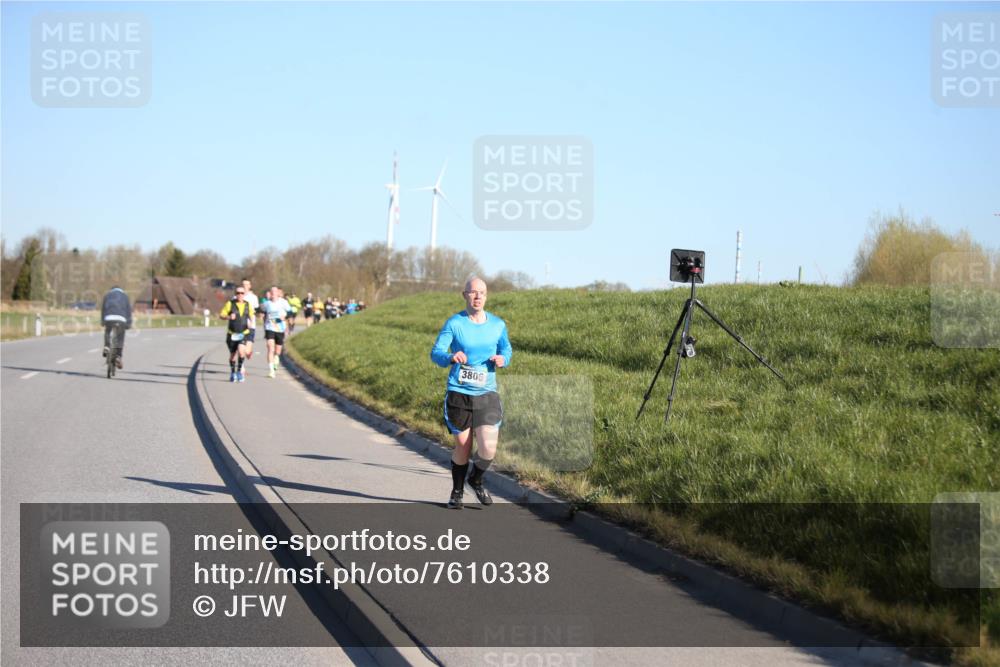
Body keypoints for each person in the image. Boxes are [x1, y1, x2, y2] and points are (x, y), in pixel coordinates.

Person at [430, 277, 512, 509]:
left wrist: (503, 358)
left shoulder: (497, 324)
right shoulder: (455, 323)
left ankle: (475, 480)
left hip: (486, 393)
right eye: (473, 292)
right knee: (463, 448)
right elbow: (436, 352)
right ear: (464, 295)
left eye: (482, 293)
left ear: (486, 296)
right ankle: (457, 492)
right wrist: (450, 357)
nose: (478, 297)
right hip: (459, 393)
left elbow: (506, 347)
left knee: (488, 447)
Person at [219, 286, 254, 382]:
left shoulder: (248, 305)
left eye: (242, 293)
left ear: (244, 294)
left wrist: (251, 322)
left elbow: (252, 316)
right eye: (238, 293)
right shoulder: (230, 304)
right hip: (232, 334)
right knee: (233, 356)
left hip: (243, 333)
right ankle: (232, 373)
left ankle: (239, 372)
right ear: (235, 294)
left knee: (242, 352)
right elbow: (221, 315)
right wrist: (229, 317)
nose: (240, 295)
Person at [261, 286, 291, 378]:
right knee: (270, 348)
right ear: (270, 293)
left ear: (278, 293)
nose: (273, 293)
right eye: (272, 291)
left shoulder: (283, 302)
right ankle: (271, 371)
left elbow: (290, 312)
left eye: (275, 291)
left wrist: (284, 317)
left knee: (277, 351)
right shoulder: (267, 303)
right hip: (269, 328)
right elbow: (260, 310)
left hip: (280, 329)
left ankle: (276, 358)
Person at [101, 286, 132, 369]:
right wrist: (129, 323)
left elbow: (103, 309)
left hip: (109, 318)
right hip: (121, 319)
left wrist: (103, 321)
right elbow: (128, 310)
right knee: (120, 337)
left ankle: (107, 346)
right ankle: (118, 356)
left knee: (107, 331)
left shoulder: (107, 295)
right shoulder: (125, 296)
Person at [240, 278, 260, 365]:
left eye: (247, 284)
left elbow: (256, 310)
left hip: (251, 325)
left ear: (250, 286)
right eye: (243, 284)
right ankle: (241, 367)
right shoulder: (237, 296)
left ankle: (249, 352)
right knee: (241, 348)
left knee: (247, 350)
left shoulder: (254, 297)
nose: (245, 286)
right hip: (239, 325)